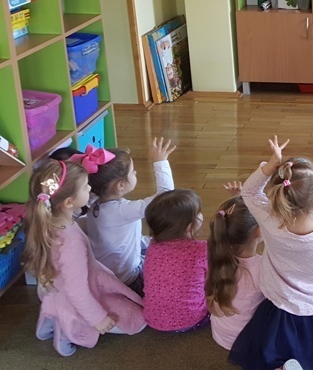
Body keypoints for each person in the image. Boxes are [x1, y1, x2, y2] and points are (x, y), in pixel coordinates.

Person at [229, 137, 313, 370]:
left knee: (276, 347)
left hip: (278, 305)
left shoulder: (268, 218)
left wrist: (270, 165)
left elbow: (249, 192)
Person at [23, 160, 146, 356]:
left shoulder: (48, 222)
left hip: (57, 288)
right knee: (138, 320)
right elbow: (77, 290)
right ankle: (68, 332)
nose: (90, 188)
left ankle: (52, 321)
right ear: (68, 202)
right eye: (85, 186)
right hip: (80, 295)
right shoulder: (72, 242)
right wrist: (98, 319)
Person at [78, 138, 177, 295]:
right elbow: (166, 197)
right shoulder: (121, 211)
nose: (135, 173)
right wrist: (160, 162)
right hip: (129, 279)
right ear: (120, 185)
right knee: (172, 269)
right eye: (132, 172)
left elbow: (121, 239)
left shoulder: (92, 201)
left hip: (106, 272)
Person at [142, 189, 208, 332]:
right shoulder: (202, 249)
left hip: (153, 319)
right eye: (198, 212)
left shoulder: (152, 246)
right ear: (189, 226)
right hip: (192, 320)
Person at [206, 191, 264, 351]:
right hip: (246, 342)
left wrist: (241, 206)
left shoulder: (216, 257)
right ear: (259, 231)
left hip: (221, 335)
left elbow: (235, 222)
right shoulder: (264, 267)